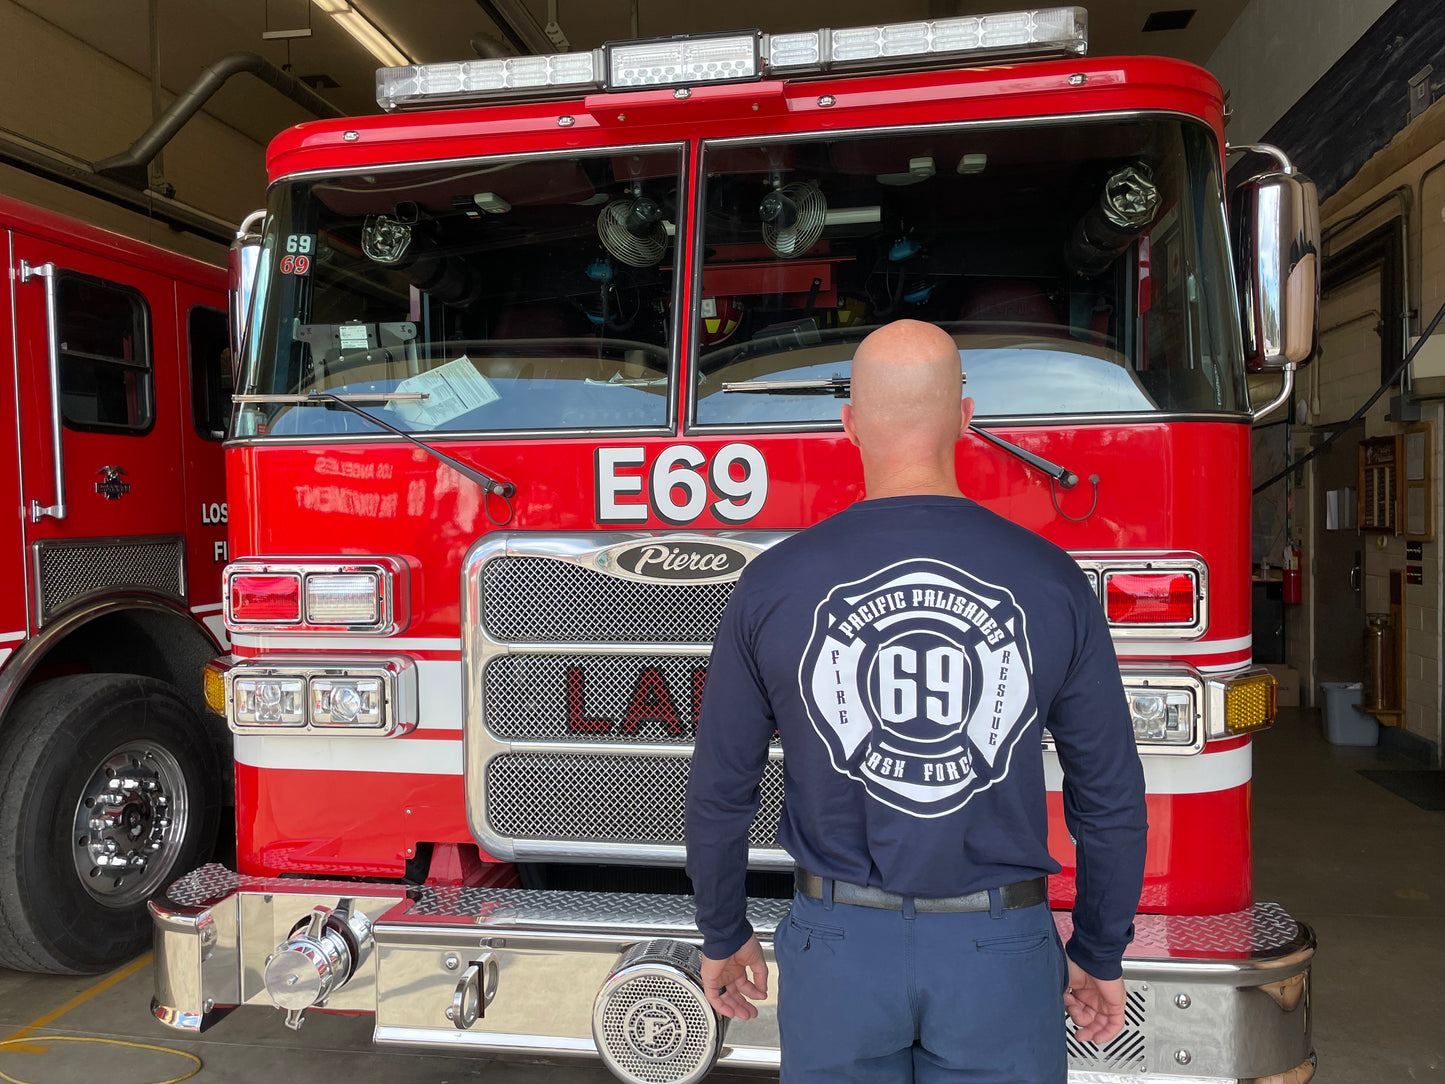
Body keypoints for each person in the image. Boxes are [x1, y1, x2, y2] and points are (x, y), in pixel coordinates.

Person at [684, 319, 1148, 1083]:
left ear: (848, 425)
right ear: (965, 420)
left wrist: (721, 929)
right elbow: (1107, 792)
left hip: (835, 951)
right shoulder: (1051, 579)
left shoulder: (773, 582)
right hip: (998, 952)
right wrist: (1098, 948)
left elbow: (720, 786)